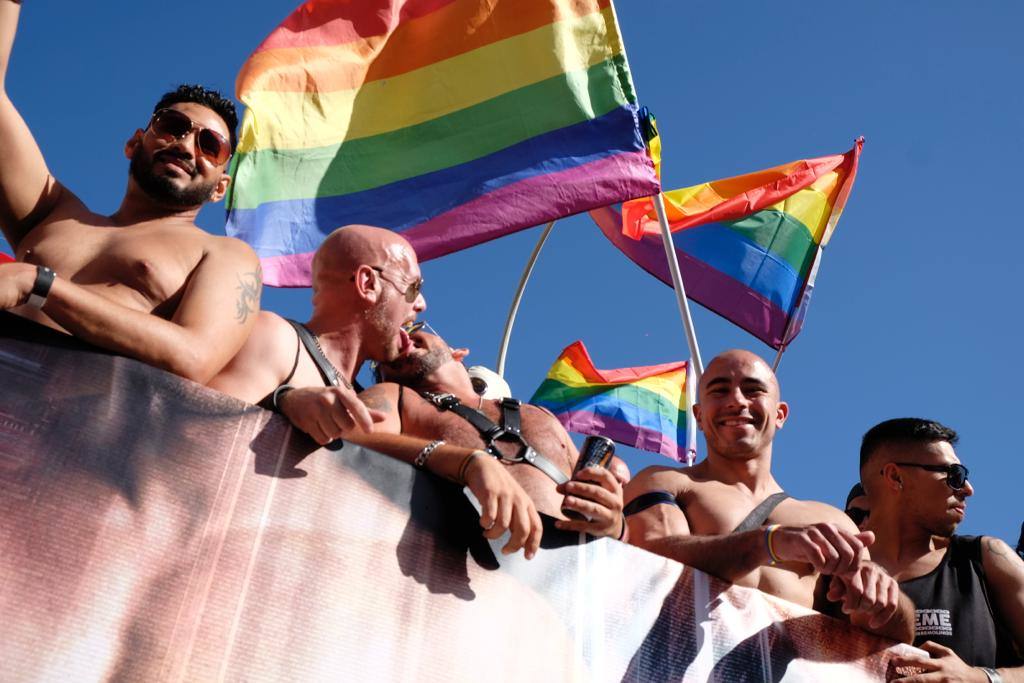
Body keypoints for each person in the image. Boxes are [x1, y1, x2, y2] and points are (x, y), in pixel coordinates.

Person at [0, 2, 261, 383]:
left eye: (210, 145)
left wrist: (39, 285)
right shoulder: (54, 213)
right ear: (134, 142)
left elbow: (193, 357)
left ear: (220, 187)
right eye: (172, 126)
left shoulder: (224, 255)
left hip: (67, 417)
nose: (185, 146)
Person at [622, 349, 915, 643]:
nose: (736, 401)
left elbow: (886, 638)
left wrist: (884, 593)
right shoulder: (666, 482)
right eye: (720, 390)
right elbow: (647, 558)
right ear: (698, 416)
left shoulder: (832, 521)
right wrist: (769, 543)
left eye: (753, 390)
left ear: (780, 414)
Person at [359, 326, 628, 539]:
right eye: (385, 354)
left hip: (560, 576)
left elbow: (608, 522)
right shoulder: (395, 397)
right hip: (462, 566)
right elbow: (352, 439)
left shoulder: (540, 415)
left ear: (458, 353)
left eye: (413, 328)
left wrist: (616, 526)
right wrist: (463, 462)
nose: (403, 337)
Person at [858, 418, 1024, 680]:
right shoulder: (830, 571)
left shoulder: (985, 559)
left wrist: (980, 678)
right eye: (954, 475)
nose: (968, 489)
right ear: (895, 477)